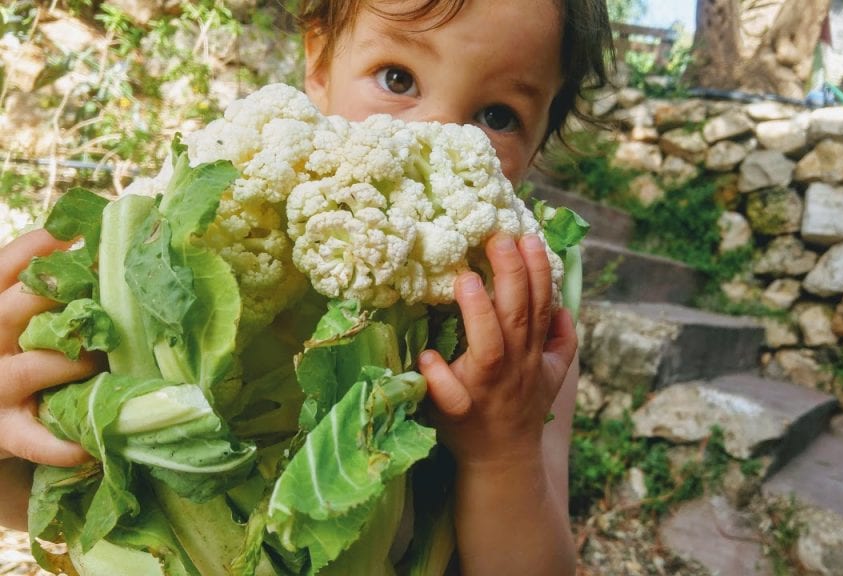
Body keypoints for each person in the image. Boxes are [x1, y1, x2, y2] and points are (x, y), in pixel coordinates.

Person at [0, 1, 614, 575]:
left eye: (498, 117)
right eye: (397, 78)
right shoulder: (180, 237)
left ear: (535, 152)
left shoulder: (524, 335)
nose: (433, 132)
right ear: (318, 62)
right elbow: (42, 502)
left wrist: (500, 451)